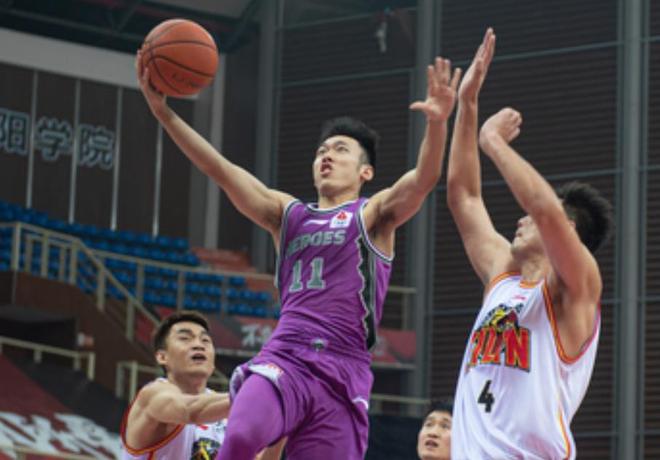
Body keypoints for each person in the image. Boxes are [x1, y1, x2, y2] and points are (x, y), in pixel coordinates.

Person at [136, 47, 461, 459]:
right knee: (241, 436)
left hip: (344, 370)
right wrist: (165, 114)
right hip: (288, 354)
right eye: (321, 151)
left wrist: (437, 123)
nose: (327, 156)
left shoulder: (372, 215)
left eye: (340, 150)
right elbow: (219, 169)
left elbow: (423, 179)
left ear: (365, 172)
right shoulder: (287, 214)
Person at [446, 29, 614, 459]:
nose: (520, 220)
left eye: (532, 219)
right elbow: (464, 197)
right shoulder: (503, 275)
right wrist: (467, 104)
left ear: (569, 231)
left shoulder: (577, 288)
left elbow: (544, 211)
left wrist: (492, 142)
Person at [120, 311, 285, 460]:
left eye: (205, 340)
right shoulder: (153, 395)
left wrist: (286, 416)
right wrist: (262, 389)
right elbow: (190, 410)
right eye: (185, 338)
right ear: (162, 357)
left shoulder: (226, 412)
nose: (199, 344)